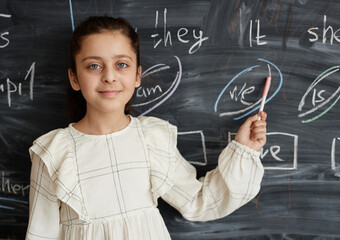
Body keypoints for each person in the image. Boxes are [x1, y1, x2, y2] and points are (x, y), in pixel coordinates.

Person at [26, 16, 267, 240]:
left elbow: (198, 201)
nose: (109, 76)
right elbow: (41, 233)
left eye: (121, 64)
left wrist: (243, 150)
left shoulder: (151, 139)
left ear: (137, 75)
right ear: (74, 78)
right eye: (94, 66)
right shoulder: (53, 152)